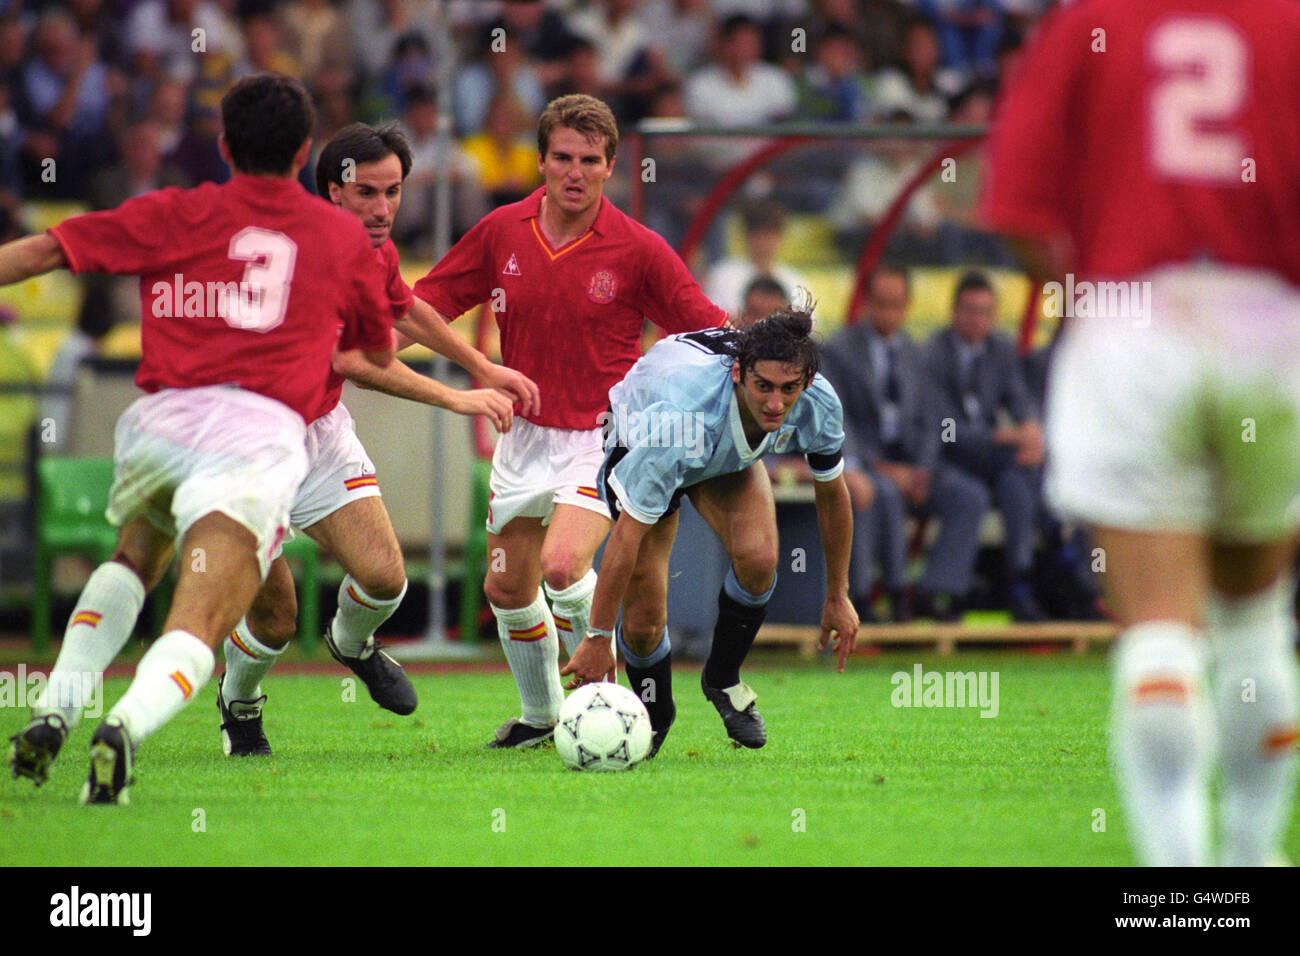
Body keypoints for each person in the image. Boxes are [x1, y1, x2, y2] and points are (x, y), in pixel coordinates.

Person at [5, 74, 395, 803]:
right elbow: (374, 349)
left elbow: (47, 253)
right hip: (255, 437)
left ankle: (55, 709)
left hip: (159, 422)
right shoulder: (338, 235)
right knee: (206, 611)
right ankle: (122, 728)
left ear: (223, 146)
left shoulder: (174, 210)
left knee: (135, 555)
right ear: (305, 151)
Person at [981, 0, 1300, 866]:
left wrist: (1097, 302)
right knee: (1255, 621)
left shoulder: (1091, 23)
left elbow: (1013, 208)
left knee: (1159, 628)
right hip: (1271, 323)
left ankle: (1181, 885)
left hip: (1136, 324)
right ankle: (1250, 857)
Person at [213, 121, 540, 757]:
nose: (384, 208)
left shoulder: (374, 248)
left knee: (387, 580)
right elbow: (353, 361)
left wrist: (484, 366)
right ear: (333, 190)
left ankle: (352, 643)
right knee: (276, 618)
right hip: (245, 442)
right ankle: (240, 702)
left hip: (317, 430)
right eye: (368, 192)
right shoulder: (303, 248)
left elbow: (407, 306)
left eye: (393, 191)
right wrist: (456, 396)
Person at [412, 93, 728, 749]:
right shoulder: (501, 231)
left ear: (611, 166)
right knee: (505, 585)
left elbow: (710, 332)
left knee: (560, 567)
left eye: (589, 159)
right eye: (563, 157)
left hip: (602, 438)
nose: (574, 172)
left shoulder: (639, 249)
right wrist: (351, 356)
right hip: (524, 436)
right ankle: (542, 715)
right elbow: (424, 306)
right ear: (541, 161)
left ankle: (608, 694)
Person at [561, 308, 858, 756]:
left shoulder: (819, 401)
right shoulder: (678, 423)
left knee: (759, 559)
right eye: (763, 387)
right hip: (645, 435)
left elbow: (833, 496)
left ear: (807, 381)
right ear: (739, 373)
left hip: (720, 448)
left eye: (788, 389)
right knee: (642, 625)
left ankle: (723, 679)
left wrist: (838, 594)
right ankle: (655, 714)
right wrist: (598, 637)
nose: (776, 404)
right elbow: (624, 538)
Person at [819, 265, 988, 622]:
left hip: (913, 463)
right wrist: (877, 467)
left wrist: (923, 471)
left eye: (896, 304)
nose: (888, 313)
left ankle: (935, 590)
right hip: (868, 462)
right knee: (881, 492)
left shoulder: (916, 352)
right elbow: (838, 418)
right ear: (865, 303)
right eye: (881, 304)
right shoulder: (839, 350)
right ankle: (882, 594)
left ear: (908, 305)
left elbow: (933, 421)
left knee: (969, 496)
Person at [924, 270, 1046, 621]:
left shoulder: (1001, 349)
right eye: (970, 310)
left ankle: (1020, 579)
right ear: (954, 312)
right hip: (947, 456)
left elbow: (1020, 399)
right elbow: (942, 428)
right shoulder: (933, 353)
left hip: (992, 459)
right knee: (997, 477)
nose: (978, 319)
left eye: (985, 312)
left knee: (1019, 474)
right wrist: (1002, 436)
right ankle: (953, 591)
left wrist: (1031, 430)